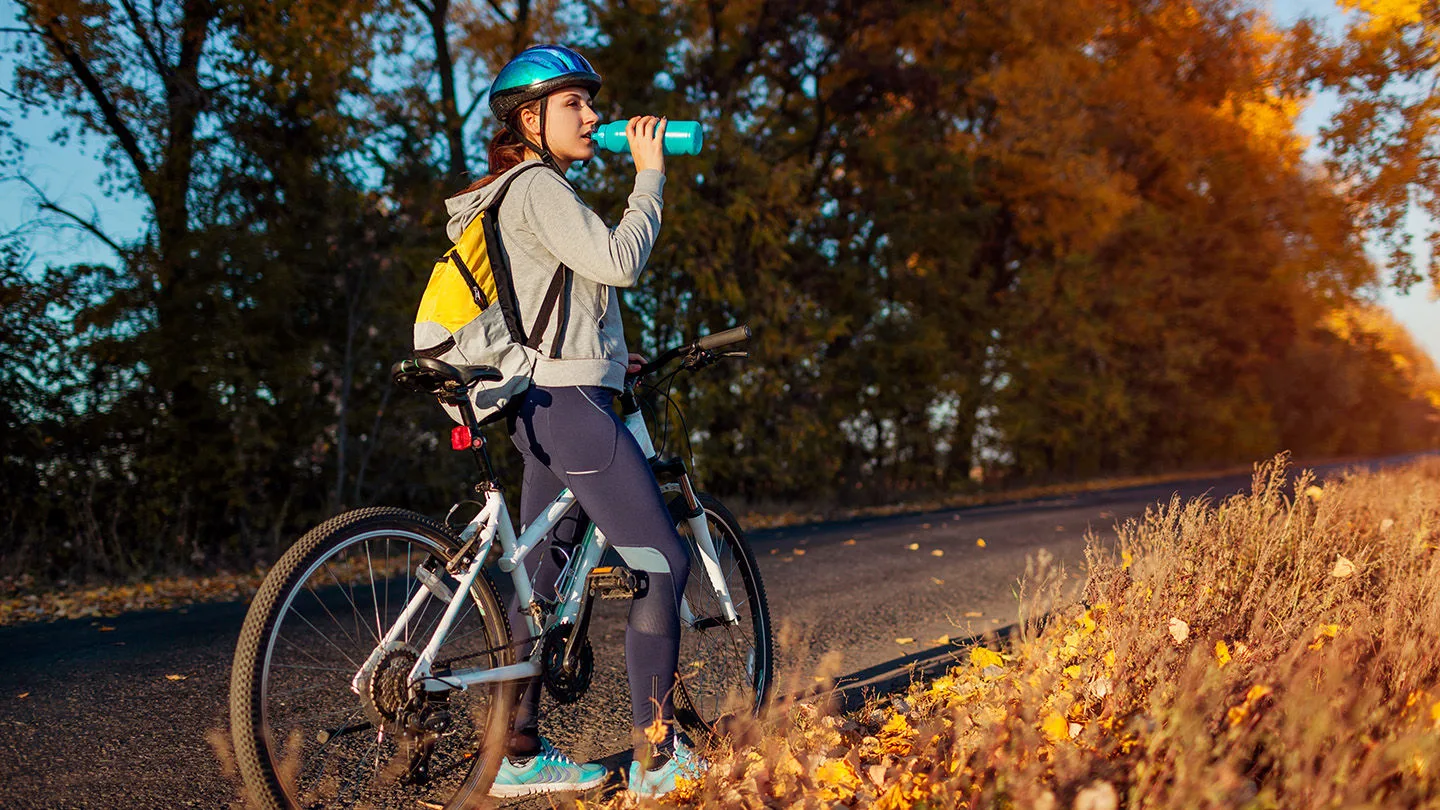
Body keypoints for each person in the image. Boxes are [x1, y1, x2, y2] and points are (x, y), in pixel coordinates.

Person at [441, 44, 702, 799]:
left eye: (593, 102)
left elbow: (557, 308)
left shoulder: (509, 192)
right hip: (573, 413)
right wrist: (650, 175)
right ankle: (659, 760)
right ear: (530, 119)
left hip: (541, 404)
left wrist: (617, 359)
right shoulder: (538, 184)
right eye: (573, 105)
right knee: (664, 565)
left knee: (541, 585)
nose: (592, 116)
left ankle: (518, 753)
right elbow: (619, 262)